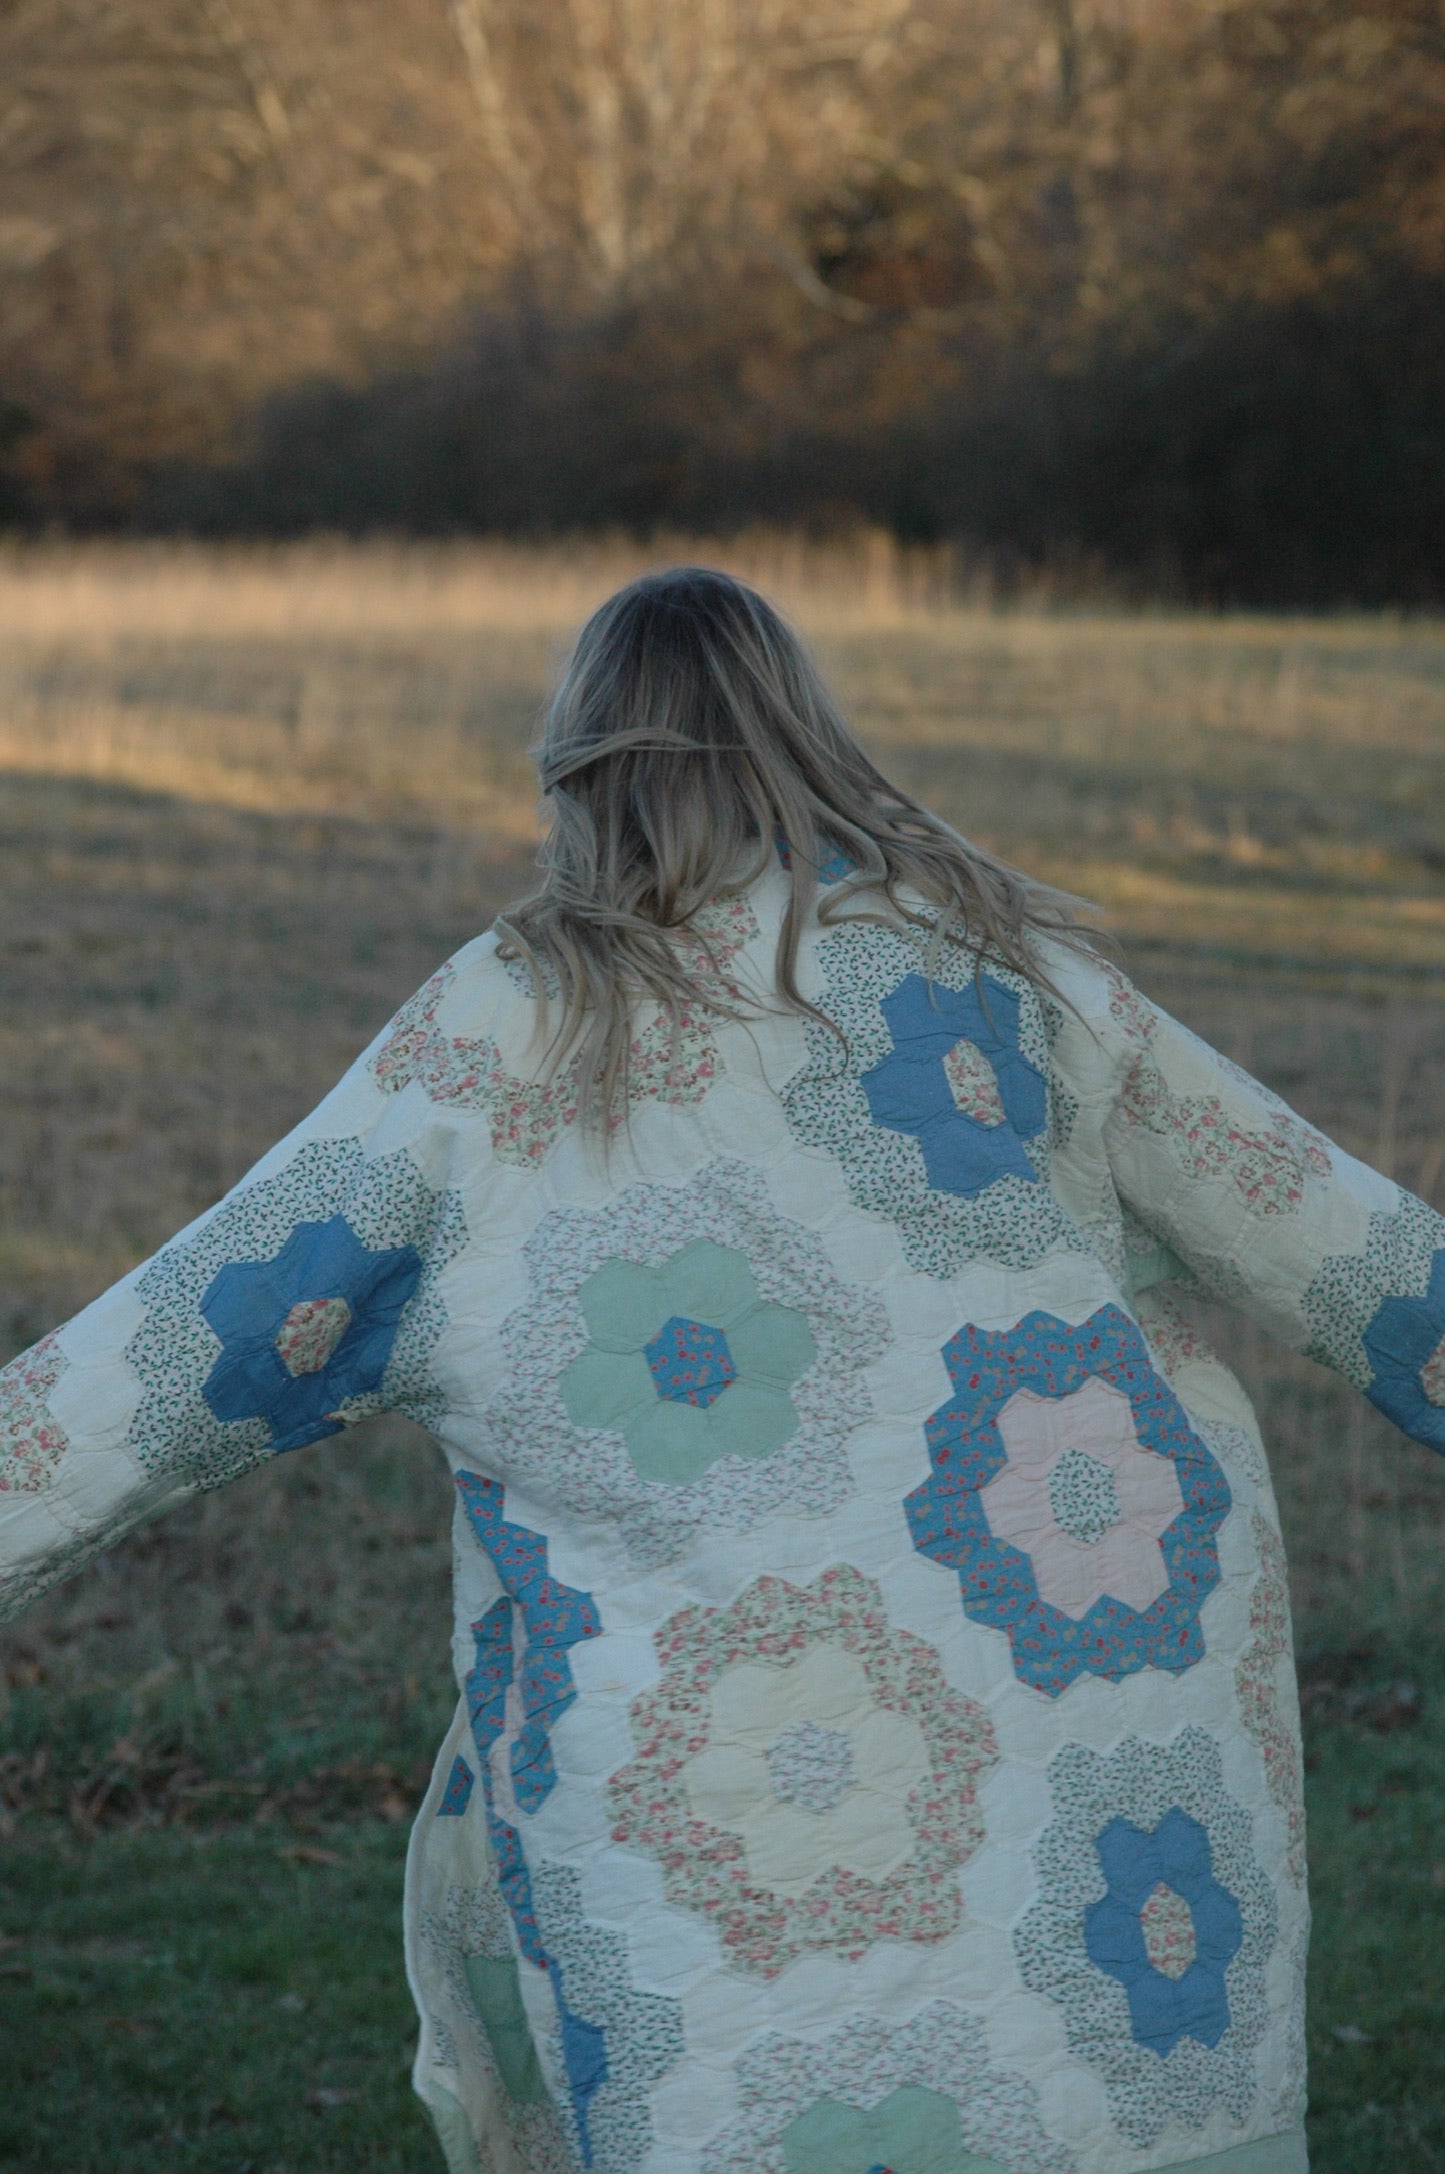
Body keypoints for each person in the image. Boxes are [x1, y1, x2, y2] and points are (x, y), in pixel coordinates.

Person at [2, 566, 1441, 2174]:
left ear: (579, 763)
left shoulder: (499, 1034)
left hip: (722, 1800)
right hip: (1104, 1737)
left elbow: (161, 1363)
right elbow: (1350, 1250)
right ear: (802, 733)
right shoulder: (1013, 970)